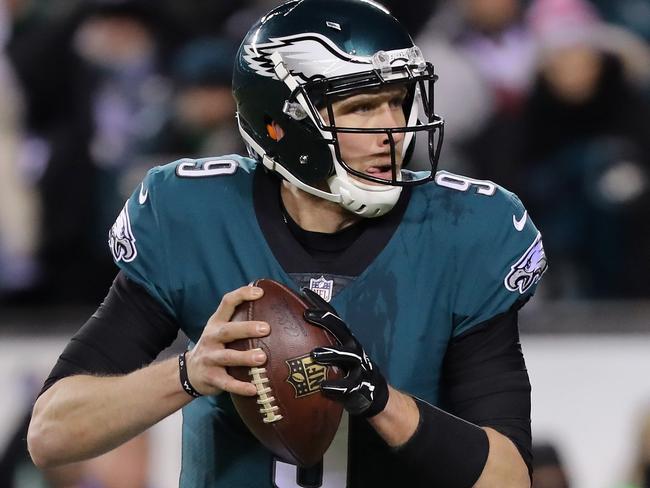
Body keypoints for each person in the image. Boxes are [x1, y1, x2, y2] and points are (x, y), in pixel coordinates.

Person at [26, 1, 548, 487]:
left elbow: (508, 477)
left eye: (398, 102)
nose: (394, 129)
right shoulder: (194, 216)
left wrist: (382, 403)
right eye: (363, 108)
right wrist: (191, 373)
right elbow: (50, 434)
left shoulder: (464, 228)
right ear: (283, 125)